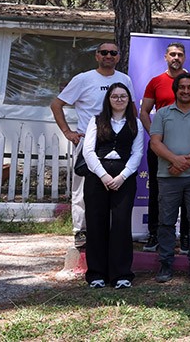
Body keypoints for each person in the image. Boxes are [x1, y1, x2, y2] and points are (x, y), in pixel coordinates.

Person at [50, 42, 134, 249]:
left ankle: (108, 231)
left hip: (117, 143)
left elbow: (131, 108)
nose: (108, 56)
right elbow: (56, 104)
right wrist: (68, 132)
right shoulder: (83, 79)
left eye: (113, 52)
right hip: (90, 141)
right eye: (104, 52)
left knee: (114, 187)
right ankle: (81, 230)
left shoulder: (124, 79)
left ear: (118, 56)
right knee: (82, 189)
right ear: (97, 56)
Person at [139, 42, 190, 254]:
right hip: (160, 148)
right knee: (157, 192)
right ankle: (155, 234)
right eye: (172, 54)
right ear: (166, 57)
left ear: (184, 58)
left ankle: (185, 236)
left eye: (179, 54)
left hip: (189, 149)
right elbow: (144, 112)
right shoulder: (155, 82)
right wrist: (156, 137)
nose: (176, 58)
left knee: (189, 193)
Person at [149, 73, 190, 283]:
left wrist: (184, 163)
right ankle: (165, 263)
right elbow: (155, 143)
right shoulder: (162, 114)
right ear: (175, 90)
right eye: (182, 87)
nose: (186, 91)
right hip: (168, 176)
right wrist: (175, 160)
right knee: (166, 222)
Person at [80, 83, 144, 289]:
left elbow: (137, 153)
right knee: (96, 223)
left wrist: (122, 176)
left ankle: (121, 274)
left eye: (123, 96)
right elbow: (88, 151)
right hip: (97, 177)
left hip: (124, 178)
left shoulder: (135, 123)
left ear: (128, 99)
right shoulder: (96, 121)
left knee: (121, 224)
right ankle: (96, 274)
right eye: (115, 96)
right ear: (108, 99)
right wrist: (104, 176)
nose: (119, 100)